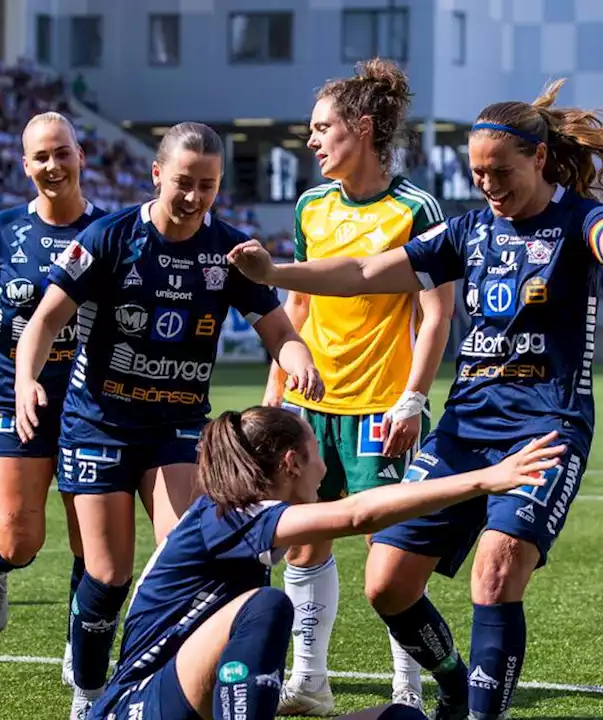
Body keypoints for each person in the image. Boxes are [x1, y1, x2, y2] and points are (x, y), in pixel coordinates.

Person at [230, 79, 603, 719]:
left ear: (539, 160)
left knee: (496, 570)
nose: (488, 185)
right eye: (478, 173)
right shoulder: (467, 231)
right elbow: (364, 272)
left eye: (501, 172)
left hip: (545, 427)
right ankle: (453, 678)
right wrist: (275, 272)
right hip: (465, 427)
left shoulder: (577, 220)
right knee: (386, 584)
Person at [13, 121, 322, 717]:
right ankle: (87, 688)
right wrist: (27, 380)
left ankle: (176, 679)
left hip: (178, 426)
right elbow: (47, 320)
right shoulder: (109, 238)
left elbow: (279, 331)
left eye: (207, 186)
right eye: (183, 182)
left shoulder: (229, 252)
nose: (194, 197)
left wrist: (298, 358)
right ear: (157, 175)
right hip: (99, 421)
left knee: (186, 551)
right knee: (105, 577)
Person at [90, 406, 565, 720]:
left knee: (399, 718)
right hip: (138, 703)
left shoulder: (250, 514)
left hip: (190, 702)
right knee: (267, 605)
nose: (324, 469)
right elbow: (357, 514)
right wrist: (485, 480)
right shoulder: (227, 514)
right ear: (292, 462)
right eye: (317, 455)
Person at [268, 59, 454, 715]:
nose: (312, 141)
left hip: (383, 411)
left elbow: (436, 313)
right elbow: (295, 313)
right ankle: (309, 680)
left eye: (323, 128)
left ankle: (408, 683)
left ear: (364, 128)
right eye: (311, 130)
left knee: (390, 551)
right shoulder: (310, 206)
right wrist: (274, 400)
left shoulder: (416, 208)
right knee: (304, 538)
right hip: (311, 406)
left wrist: (414, 396)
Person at [0, 112, 105, 687]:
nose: (52, 166)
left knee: (93, 541)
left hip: (89, 399)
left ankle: (77, 647)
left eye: (62, 153)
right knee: (19, 537)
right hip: (9, 391)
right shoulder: (2, 228)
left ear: (81, 156)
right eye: (40, 157)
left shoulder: (111, 230)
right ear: (25, 165)